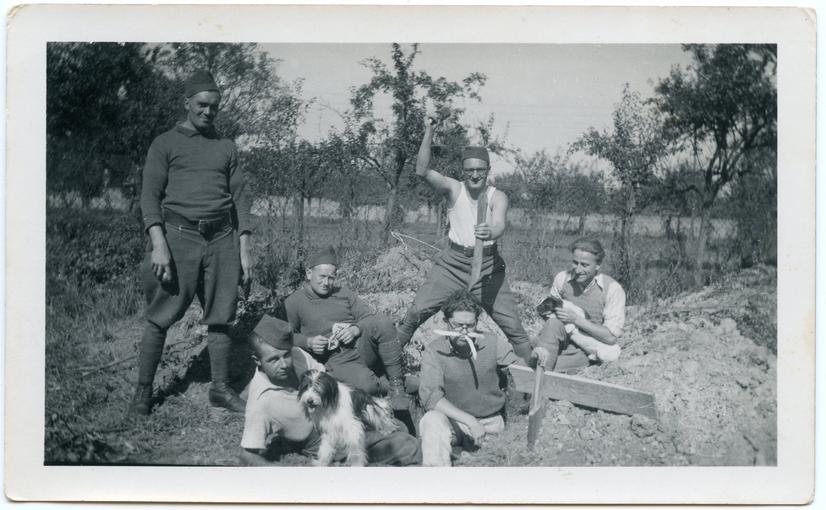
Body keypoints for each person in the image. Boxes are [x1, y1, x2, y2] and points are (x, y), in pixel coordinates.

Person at [130, 70, 252, 415]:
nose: (208, 112)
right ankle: (143, 392)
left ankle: (220, 389)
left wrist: (244, 249)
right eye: (201, 104)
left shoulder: (226, 147)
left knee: (221, 316)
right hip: (177, 237)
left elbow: (241, 198)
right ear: (187, 103)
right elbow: (150, 197)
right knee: (160, 316)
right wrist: (159, 243)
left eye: (214, 106)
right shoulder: (165, 143)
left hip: (221, 239)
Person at [396, 115, 533, 362]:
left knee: (514, 327)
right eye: (469, 170)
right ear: (463, 171)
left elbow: (499, 222)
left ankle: (531, 380)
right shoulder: (454, 188)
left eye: (480, 170)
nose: (475, 175)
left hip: (488, 269)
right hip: (452, 265)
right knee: (415, 314)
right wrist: (428, 129)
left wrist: (490, 232)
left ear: (488, 171)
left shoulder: (497, 196)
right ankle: (388, 362)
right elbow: (421, 170)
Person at [239, 315, 421, 466]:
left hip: (338, 416)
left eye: (286, 355)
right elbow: (247, 454)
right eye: (273, 360)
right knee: (406, 445)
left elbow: (324, 377)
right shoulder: (261, 402)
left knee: (400, 426)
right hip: (322, 440)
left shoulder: (297, 354)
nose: (284, 364)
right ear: (257, 360)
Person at [284, 246, 411, 411]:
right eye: (322, 277)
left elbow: (369, 317)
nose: (326, 283)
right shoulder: (294, 302)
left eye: (331, 278)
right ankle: (388, 382)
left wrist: (355, 329)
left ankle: (397, 386)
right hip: (337, 359)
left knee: (383, 322)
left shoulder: (344, 293)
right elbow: (285, 335)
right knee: (366, 386)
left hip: (360, 348)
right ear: (309, 274)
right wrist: (308, 342)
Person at [417, 289, 536, 466]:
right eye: (457, 325)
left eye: (470, 325)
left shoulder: (491, 343)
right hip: (454, 422)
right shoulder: (435, 350)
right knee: (431, 421)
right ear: (445, 322)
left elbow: (520, 369)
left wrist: (535, 358)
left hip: (490, 422)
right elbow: (431, 399)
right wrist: (470, 421)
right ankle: (437, 483)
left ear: (477, 322)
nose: (464, 331)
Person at [535, 238, 626, 373]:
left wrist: (576, 319)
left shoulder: (612, 289)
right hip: (558, 337)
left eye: (584, 265)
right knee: (552, 326)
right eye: (575, 263)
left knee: (545, 368)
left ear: (598, 265)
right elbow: (550, 316)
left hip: (586, 347)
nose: (577, 270)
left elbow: (610, 337)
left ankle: (539, 376)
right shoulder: (563, 279)